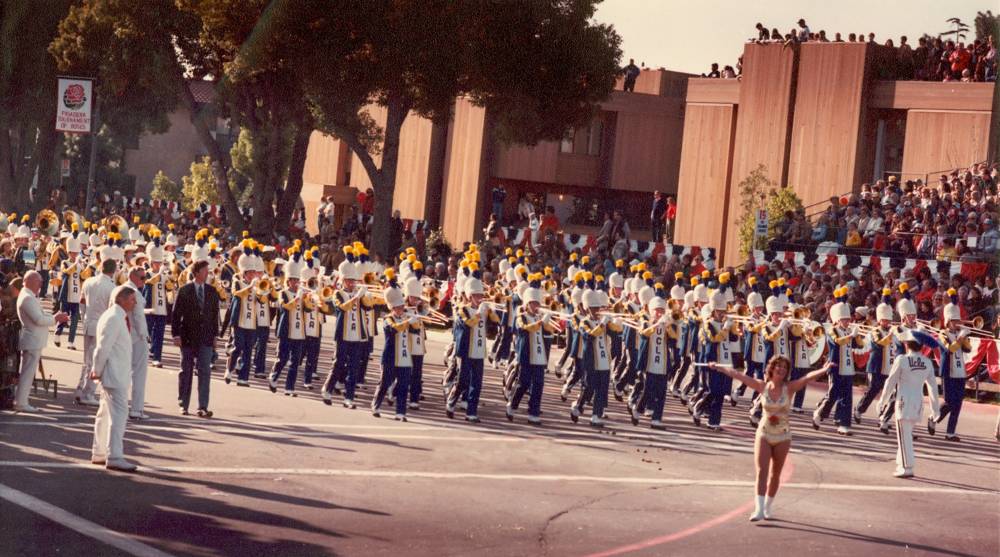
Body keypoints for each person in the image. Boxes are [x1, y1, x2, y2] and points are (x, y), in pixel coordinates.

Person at [708, 357, 834, 521]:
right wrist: (718, 367)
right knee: (762, 471)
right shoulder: (762, 386)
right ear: (772, 369)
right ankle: (759, 509)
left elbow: (807, 378)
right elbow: (739, 376)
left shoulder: (789, 388)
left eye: (784, 367)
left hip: (783, 436)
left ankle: (767, 507)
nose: (781, 370)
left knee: (775, 474)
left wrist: (824, 370)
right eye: (778, 366)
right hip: (764, 433)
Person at [878, 331, 941, 478]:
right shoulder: (927, 362)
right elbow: (933, 387)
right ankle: (901, 463)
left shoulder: (902, 360)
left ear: (907, 345)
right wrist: (935, 409)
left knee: (904, 435)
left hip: (903, 401)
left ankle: (907, 467)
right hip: (918, 402)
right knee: (905, 434)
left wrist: (883, 400)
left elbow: (890, 382)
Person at [90, 285, 138, 472]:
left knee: (105, 414)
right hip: (114, 374)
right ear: (122, 299)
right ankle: (114, 455)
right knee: (119, 415)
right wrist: (97, 369)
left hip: (115, 373)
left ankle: (99, 451)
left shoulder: (116, 316)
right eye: (132, 299)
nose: (134, 303)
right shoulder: (114, 317)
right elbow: (102, 347)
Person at [171, 259, 220, 417]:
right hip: (188, 337)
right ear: (197, 272)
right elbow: (176, 314)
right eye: (205, 270)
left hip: (205, 337)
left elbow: (214, 315)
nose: (208, 273)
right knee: (186, 370)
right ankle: (183, 403)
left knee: (205, 371)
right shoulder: (185, 290)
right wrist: (176, 334)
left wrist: (215, 337)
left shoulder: (212, 291)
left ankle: (202, 406)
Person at [14, 271, 68, 412]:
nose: (41, 285)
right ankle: (21, 402)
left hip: (33, 339)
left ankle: (21, 401)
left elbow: (40, 316)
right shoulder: (27, 297)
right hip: (32, 340)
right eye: (39, 281)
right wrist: (56, 318)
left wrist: (54, 316)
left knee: (27, 373)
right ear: (30, 281)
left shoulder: (28, 296)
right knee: (27, 374)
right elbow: (38, 320)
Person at [77, 258, 116, 407]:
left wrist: (84, 318)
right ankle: (88, 393)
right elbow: (111, 309)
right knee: (97, 361)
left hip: (88, 322)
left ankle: (81, 390)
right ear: (113, 271)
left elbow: (81, 303)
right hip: (101, 325)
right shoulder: (112, 287)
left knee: (86, 361)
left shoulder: (88, 282)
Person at [123, 266, 150, 419]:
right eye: (142, 278)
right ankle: (137, 408)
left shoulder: (119, 289)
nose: (144, 281)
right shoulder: (135, 293)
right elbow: (139, 317)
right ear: (133, 276)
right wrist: (145, 335)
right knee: (139, 374)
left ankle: (120, 405)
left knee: (122, 372)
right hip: (136, 336)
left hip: (123, 335)